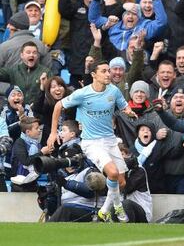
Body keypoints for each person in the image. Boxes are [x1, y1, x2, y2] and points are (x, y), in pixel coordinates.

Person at [47, 60, 137, 223]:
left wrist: (129, 112)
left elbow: (124, 106)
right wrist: (53, 133)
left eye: (108, 71)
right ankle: (110, 208)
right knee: (113, 173)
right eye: (104, 71)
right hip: (91, 142)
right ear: (94, 75)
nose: (108, 74)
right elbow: (58, 106)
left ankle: (108, 208)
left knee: (122, 182)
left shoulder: (114, 91)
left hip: (110, 140)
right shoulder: (82, 94)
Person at [48, 120, 107, 222]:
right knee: (62, 209)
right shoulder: (64, 177)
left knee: (65, 209)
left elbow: (90, 191)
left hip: (90, 209)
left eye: (73, 161)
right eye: (67, 162)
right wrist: (49, 197)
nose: (70, 165)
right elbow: (53, 208)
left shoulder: (90, 170)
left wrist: (66, 184)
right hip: (71, 209)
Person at [0, 41, 51, 105]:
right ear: (22, 55)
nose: (31, 55)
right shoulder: (14, 70)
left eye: (34, 53)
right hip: (16, 110)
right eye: (28, 52)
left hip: (37, 112)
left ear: (37, 55)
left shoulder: (46, 72)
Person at [10, 117, 52, 192]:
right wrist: (42, 153)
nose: (39, 130)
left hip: (33, 183)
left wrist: (48, 153)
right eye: (36, 128)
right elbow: (25, 161)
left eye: (39, 127)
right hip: (19, 184)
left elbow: (39, 161)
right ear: (28, 132)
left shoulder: (37, 144)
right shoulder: (19, 142)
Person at [32, 76, 76, 146]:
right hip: (50, 142)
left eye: (60, 86)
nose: (57, 89)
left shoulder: (73, 104)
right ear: (49, 91)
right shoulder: (47, 105)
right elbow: (37, 109)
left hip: (71, 141)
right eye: (53, 87)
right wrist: (42, 88)